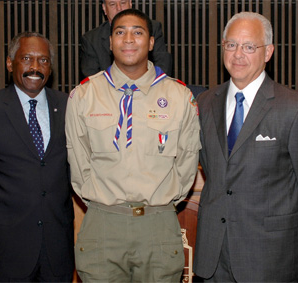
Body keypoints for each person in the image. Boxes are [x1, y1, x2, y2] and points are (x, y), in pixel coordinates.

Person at [195, 12, 298, 282]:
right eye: (231, 45)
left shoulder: (295, 108)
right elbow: (213, 170)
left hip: (271, 256)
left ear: (268, 52)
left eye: (249, 47)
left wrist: (284, 224)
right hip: (213, 257)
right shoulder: (204, 103)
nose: (238, 55)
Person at [66, 9, 200, 282]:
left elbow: (187, 165)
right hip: (103, 223)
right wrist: (103, 203)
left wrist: (163, 205)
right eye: (120, 32)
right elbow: (79, 164)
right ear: (110, 42)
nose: (128, 39)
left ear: (151, 43)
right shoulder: (84, 96)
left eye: (138, 32)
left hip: (158, 225)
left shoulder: (179, 96)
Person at [0, 32, 74, 282]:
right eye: (26, 58)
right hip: (4, 248)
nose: (35, 67)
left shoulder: (68, 107)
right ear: (10, 63)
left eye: (43, 60)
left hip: (57, 248)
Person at [80, 0, 172, 78]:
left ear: (130, 4)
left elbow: (162, 66)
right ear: (104, 8)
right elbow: (92, 79)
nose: (119, 8)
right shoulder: (91, 39)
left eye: (123, 3)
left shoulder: (151, 28)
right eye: (112, 4)